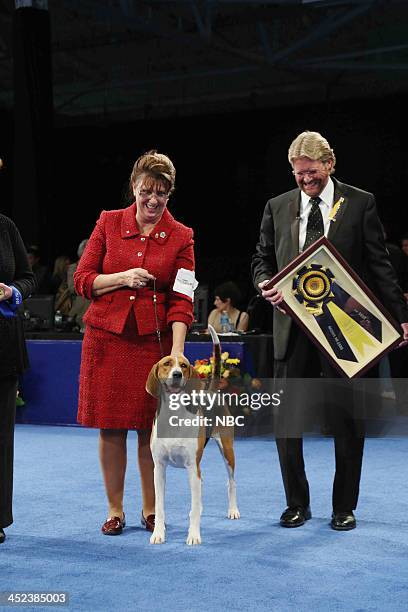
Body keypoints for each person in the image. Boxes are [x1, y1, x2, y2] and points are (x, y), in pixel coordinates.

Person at [252, 131, 408, 531]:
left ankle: (344, 507)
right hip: (291, 328)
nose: (306, 181)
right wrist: (264, 283)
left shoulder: (360, 203)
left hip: (346, 331)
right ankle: (296, 504)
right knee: (287, 422)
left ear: (330, 163)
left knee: (348, 419)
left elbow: (379, 266)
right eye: (299, 174)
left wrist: (399, 315)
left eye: (313, 173)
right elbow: (262, 258)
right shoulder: (277, 206)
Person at [74, 150, 195, 536]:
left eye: (162, 192)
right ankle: (114, 510)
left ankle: (151, 509)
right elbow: (82, 279)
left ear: (170, 193)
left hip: (151, 346)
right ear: (134, 187)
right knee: (110, 427)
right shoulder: (108, 223)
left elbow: (183, 300)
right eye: (147, 191)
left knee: (149, 428)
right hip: (106, 340)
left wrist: (176, 353)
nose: (153, 200)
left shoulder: (182, 236)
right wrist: (122, 277)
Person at [0, 213, 36, 543]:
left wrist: (12, 291)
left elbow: (28, 278)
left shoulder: (6, 226)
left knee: (1, 439)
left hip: (4, 348)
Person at [67, 239, 90, 332]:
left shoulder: (100, 266)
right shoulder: (74, 267)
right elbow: (72, 288)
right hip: (81, 309)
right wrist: (93, 286)